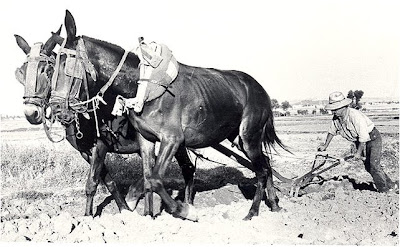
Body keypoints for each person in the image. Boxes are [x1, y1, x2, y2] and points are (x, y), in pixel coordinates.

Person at [318, 91, 396, 192]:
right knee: (369, 166)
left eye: (335, 109)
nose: (333, 111)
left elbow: (363, 137)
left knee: (373, 165)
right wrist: (325, 146)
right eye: (332, 109)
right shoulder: (337, 118)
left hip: (372, 138)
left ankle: (384, 190)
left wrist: (358, 153)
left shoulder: (355, 116)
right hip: (360, 141)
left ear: (344, 106)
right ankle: (391, 185)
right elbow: (331, 131)